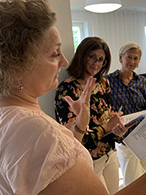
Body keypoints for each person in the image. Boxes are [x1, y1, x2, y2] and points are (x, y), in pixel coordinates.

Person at [0, 1, 146, 194]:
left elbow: (51, 170)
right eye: (55, 53)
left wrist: (80, 128)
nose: (64, 61)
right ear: (20, 64)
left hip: (107, 151)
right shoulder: (37, 131)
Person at [54, 36, 127, 194]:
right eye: (92, 57)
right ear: (82, 56)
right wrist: (107, 126)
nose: (96, 63)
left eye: (101, 59)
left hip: (109, 154)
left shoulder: (103, 83)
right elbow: (74, 140)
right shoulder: (67, 90)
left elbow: (108, 116)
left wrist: (116, 129)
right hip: (87, 160)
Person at [106, 42, 146, 186]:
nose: (132, 62)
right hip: (124, 138)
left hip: (144, 135)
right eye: (129, 57)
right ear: (121, 58)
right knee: (132, 181)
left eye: (136, 58)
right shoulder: (108, 81)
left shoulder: (141, 82)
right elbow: (105, 110)